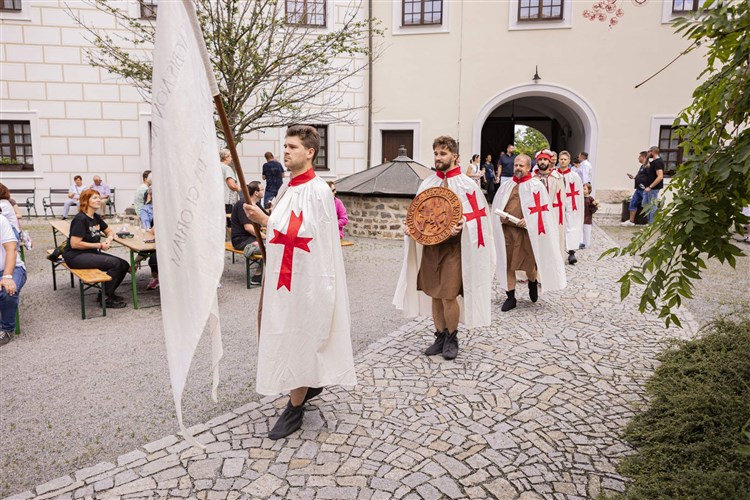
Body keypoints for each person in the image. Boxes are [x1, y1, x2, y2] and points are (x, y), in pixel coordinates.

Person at [242, 125, 356, 440]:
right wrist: (265, 225)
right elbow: (281, 233)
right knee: (276, 329)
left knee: (299, 335)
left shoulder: (319, 190)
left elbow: (310, 235)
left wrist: (266, 221)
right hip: (282, 277)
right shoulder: (287, 189)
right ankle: (306, 386)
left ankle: (295, 408)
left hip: (306, 281)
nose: (286, 151)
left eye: (292, 146)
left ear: (309, 152)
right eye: (285, 146)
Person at [394, 135, 495, 361]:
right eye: (436, 154)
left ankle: (452, 337)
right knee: (434, 295)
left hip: (454, 250)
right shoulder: (428, 184)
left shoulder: (468, 185)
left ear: (455, 156)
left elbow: (480, 219)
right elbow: (419, 215)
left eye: (443, 154)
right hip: (431, 249)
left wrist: (464, 226)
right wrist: (411, 228)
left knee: (448, 295)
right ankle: (439, 336)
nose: (438, 158)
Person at [491, 154, 566, 312]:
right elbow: (498, 205)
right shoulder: (506, 186)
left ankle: (532, 282)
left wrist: (529, 219)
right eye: (516, 165)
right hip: (507, 232)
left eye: (521, 166)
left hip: (527, 233)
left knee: (529, 265)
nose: (518, 168)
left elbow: (544, 211)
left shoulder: (536, 186)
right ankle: (510, 297)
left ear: (528, 167)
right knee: (507, 265)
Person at [62, 189, 130, 309]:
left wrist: (108, 239)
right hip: (75, 256)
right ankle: (106, 298)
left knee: (124, 264)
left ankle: (106, 293)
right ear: (85, 201)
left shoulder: (95, 217)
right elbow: (75, 244)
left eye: (99, 197)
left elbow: (109, 231)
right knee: (115, 264)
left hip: (90, 253)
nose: (98, 200)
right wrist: (99, 245)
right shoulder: (80, 219)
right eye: (94, 198)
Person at [231, 181, 267, 285]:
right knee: (267, 246)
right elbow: (249, 228)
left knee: (272, 244)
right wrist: (266, 237)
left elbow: (267, 219)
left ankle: (264, 275)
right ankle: (257, 277)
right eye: (262, 189)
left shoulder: (256, 204)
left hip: (251, 238)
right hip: (240, 240)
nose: (263, 191)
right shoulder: (244, 204)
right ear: (256, 192)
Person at [533, 151, 566, 263]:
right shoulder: (532, 178)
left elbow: (561, 199)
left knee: (553, 240)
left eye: (545, 159)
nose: (542, 162)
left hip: (553, 214)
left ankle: (554, 265)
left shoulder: (557, 178)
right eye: (540, 160)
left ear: (549, 161)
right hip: (537, 214)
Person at [0, 214, 26, 345]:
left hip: (12, 268)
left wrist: (6, 277)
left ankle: (7, 329)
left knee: (8, 290)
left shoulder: (1, 220)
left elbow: (12, 250)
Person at [622, 150, 662, 226]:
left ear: (643, 157)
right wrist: (634, 177)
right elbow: (642, 177)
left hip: (645, 190)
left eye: (639, 156)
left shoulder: (648, 166)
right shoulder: (642, 166)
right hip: (638, 189)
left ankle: (651, 223)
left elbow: (651, 177)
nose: (638, 158)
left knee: (648, 205)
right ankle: (631, 221)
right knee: (633, 203)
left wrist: (649, 187)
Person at [558, 151, 584, 265]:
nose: (563, 161)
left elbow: (578, 193)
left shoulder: (574, 176)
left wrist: (573, 205)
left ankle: (571, 252)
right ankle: (558, 252)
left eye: (565, 159)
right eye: (561, 159)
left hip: (571, 205)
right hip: (557, 205)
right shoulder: (554, 175)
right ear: (558, 160)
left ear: (569, 161)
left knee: (571, 226)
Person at [643, 146, 665, 224]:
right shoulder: (653, 162)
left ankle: (652, 224)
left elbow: (660, 176)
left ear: (652, 152)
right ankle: (649, 222)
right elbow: (645, 166)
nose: (647, 153)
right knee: (646, 205)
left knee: (652, 206)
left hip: (653, 188)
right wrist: (646, 158)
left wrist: (650, 187)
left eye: (648, 152)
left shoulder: (658, 162)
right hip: (648, 188)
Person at [220, 149, 241, 221]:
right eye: (230, 157)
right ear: (226, 157)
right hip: (228, 199)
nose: (231, 159)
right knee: (230, 222)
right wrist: (241, 190)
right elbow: (232, 185)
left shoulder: (217, 166)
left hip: (220, 198)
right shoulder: (227, 168)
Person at [580, 183, 599, 249]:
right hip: (581, 217)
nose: (583, 190)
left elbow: (593, 207)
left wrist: (594, 205)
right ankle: (581, 243)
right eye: (582, 188)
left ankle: (586, 243)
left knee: (586, 230)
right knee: (580, 230)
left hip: (587, 217)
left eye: (585, 189)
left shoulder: (590, 198)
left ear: (589, 190)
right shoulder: (580, 197)